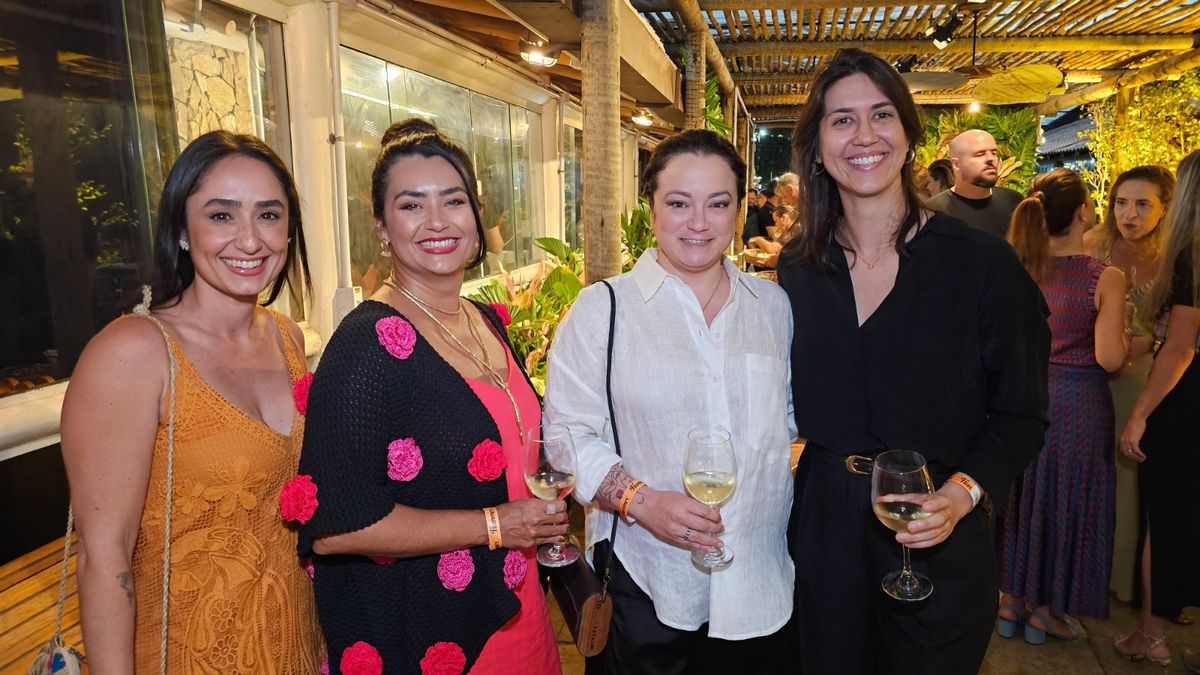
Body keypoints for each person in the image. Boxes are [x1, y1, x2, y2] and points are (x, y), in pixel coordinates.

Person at [777, 48, 1050, 674]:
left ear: (908, 133)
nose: (864, 135)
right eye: (841, 120)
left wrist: (962, 494)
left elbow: (1022, 413)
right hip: (824, 531)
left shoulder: (980, 265)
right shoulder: (798, 269)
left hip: (938, 531)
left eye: (881, 115)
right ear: (817, 147)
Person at [293, 119, 566, 674]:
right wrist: (494, 525)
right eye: (412, 205)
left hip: (521, 609)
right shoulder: (365, 345)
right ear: (381, 227)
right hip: (436, 634)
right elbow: (335, 527)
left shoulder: (483, 317)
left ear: (476, 216)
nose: (437, 222)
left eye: (454, 201)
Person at [60, 130, 323, 673]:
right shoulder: (133, 353)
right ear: (182, 230)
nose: (250, 240)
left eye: (269, 216)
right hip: (187, 655)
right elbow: (104, 556)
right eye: (222, 216)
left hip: (298, 648)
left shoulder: (286, 337)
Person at [544, 129, 796, 674]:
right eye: (679, 203)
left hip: (760, 587)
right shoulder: (602, 311)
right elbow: (565, 437)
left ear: (739, 210)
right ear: (652, 208)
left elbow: (792, 420)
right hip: (649, 587)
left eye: (718, 204)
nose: (699, 223)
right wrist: (639, 500)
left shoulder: (774, 307)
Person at [995, 168, 1128, 644]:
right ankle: (1047, 611)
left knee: (1025, 499)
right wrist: (1141, 340)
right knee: (1068, 503)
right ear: (1080, 212)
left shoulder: (1020, 267)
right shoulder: (1103, 276)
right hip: (1080, 405)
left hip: (1027, 397)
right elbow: (1110, 356)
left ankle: (1010, 601)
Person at [1114, 149, 1200, 671]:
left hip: (1185, 395)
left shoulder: (1190, 253)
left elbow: (1181, 346)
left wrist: (1141, 411)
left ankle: (1151, 634)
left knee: (1164, 516)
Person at [1086, 166, 1175, 605]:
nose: (1130, 214)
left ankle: (1119, 579)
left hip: (1136, 382)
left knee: (1126, 481)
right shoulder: (1092, 245)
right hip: (1084, 375)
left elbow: (1171, 334)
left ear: (1165, 209)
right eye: (1121, 202)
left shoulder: (1174, 260)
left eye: (1143, 204)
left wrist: (1139, 344)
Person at [927, 129, 1024, 239]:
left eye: (993, 153)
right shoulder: (933, 211)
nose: (990, 159)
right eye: (980, 154)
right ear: (957, 165)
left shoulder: (1015, 201)